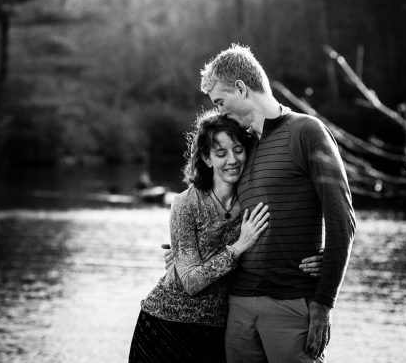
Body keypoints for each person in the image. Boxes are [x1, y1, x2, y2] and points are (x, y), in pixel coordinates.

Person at [201, 44, 357, 362]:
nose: (219, 112)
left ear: (242, 88)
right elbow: (225, 217)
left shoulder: (307, 133)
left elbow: (342, 219)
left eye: (221, 101)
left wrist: (324, 301)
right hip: (239, 305)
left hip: (291, 304)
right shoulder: (240, 148)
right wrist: (189, 247)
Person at [129, 110, 323, 362]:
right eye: (221, 153)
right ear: (207, 159)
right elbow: (190, 282)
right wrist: (238, 247)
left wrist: (322, 256)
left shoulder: (252, 204)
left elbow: (291, 225)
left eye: (238, 150)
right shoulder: (186, 203)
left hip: (216, 331)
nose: (232, 159)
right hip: (165, 325)